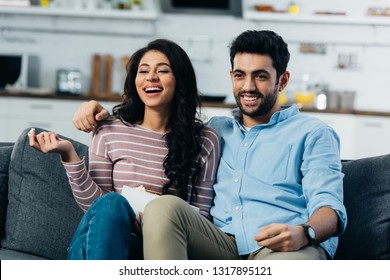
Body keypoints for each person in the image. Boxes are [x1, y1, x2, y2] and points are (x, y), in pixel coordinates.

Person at [73, 30, 347, 260]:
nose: (248, 86)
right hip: (219, 244)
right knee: (163, 206)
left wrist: (305, 233)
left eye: (261, 76)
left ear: (282, 80)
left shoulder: (313, 133)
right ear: (231, 77)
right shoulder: (214, 130)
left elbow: (331, 208)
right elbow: (156, 124)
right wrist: (98, 111)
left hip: (280, 246)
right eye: (240, 75)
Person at [28, 38, 221, 260]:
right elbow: (98, 208)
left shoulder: (206, 140)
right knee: (112, 203)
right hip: (107, 237)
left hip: (158, 247)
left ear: (180, 80)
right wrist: (69, 155)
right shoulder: (109, 129)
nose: (151, 77)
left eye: (163, 70)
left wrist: (160, 224)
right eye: (143, 71)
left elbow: (202, 219)